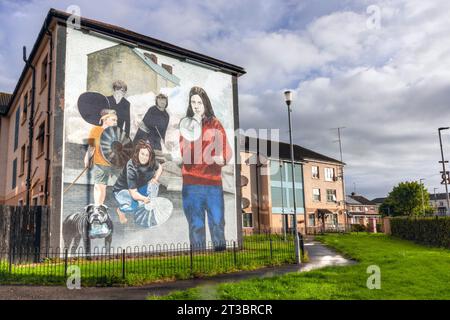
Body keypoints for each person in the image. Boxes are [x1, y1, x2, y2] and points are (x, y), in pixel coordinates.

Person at [179, 86, 232, 251]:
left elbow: (226, 148)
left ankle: (221, 255)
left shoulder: (215, 124)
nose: (196, 105)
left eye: (199, 102)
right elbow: (186, 154)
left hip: (213, 184)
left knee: (217, 222)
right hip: (191, 184)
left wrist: (222, 158)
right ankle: (199, 260)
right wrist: (194, 128)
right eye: (193, 102)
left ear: (205, 104)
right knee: (196, 224)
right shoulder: (186, 125)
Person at [113, 140, 163, 226]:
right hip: (123, 190)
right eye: (142, 154)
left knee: (154, 186)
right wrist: (144, 199)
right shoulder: (131, 167)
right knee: (134, 206)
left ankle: (149, 213)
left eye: (147, 155)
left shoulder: (151, 162)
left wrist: (155, 178)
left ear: (150, 156)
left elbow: (160, 168)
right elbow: (133, 194)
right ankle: (120, 210)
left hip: (140, 187)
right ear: (138, 153)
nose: (144, 157)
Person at [84, 109, 121, 207]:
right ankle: (98, 206)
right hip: (99, 164)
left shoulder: (113, 133)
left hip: (108, 165)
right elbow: (91, 146)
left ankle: (99, 206)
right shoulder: (96, 129)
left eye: (116, 120)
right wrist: (87, 159)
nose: (116, 122)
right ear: (105, 120)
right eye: (113, 120)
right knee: (99, 186)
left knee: (102, 187)